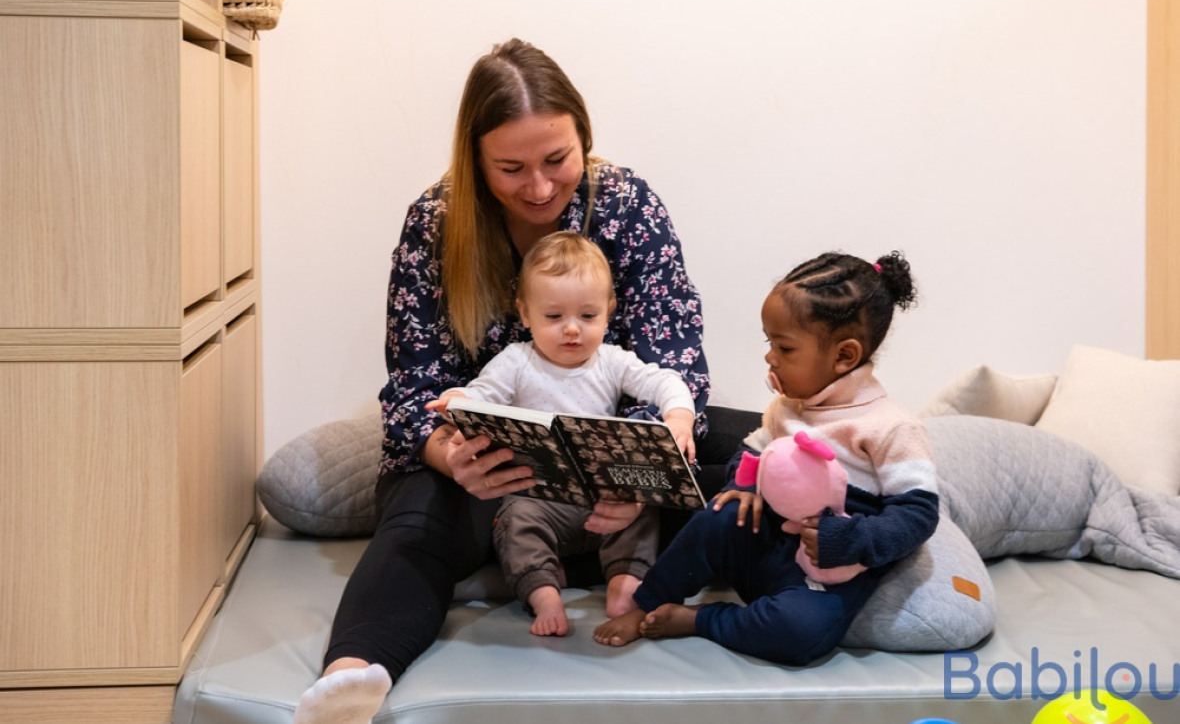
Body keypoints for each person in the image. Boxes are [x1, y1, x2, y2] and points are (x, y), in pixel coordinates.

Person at [292, 38, 710, 724]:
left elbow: (675, 360)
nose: (539, 188)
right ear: (475, 160)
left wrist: (632, 475)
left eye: (557, 160)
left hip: (615, 473)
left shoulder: (627, 206)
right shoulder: (436, 222)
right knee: (417, 521)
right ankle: (351, 680)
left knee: (750, 459)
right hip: (485, 477)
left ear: (584, 140)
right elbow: (413, 386)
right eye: (511, 168)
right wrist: (449, 456)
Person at [593, 251, 939, 666]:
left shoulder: (891, 427)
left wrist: (851, 540)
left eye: (784, 347)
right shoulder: (790, 407)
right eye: (769, 342)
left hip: (820, 573)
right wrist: (742, 486)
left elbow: (918, 515)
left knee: (801, 632)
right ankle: (648, 602)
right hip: (763, 544)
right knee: (716, 516)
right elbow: (751, 451)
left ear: (844, 357)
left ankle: (702, 620)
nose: (770, 357)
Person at [427, 231, 697, 637]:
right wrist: (458, 401)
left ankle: (625, 583)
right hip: (540, 498)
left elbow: (665, 380)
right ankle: (543, 594)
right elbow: (482, 393)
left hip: (603, 498)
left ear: (608, 312)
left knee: (644, 506)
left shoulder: (611, 361)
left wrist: (679, 417)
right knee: (514, 518)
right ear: (525, 314)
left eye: (587, 316)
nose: (572, 330)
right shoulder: (516, 361)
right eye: (554, 317)